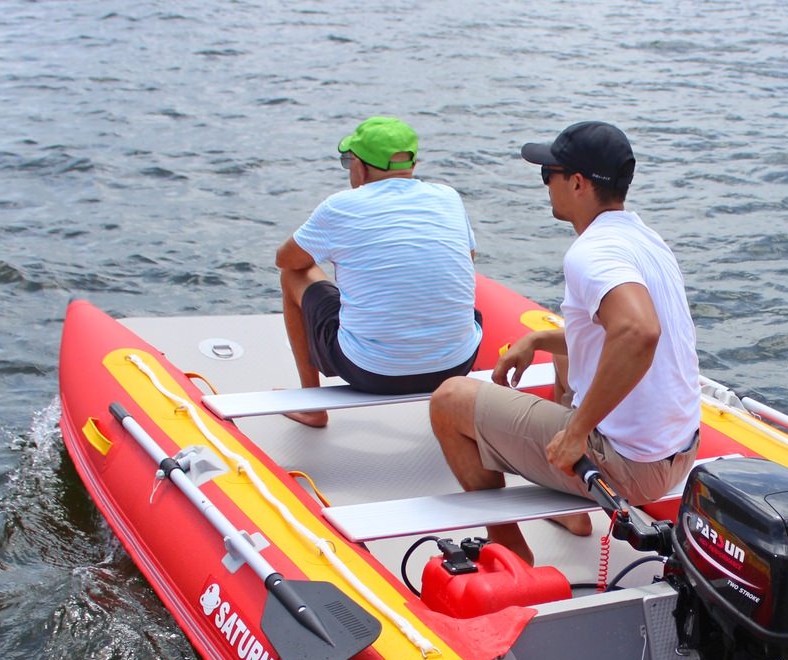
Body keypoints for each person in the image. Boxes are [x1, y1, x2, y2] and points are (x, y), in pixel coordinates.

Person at [430, 121, 700, 565]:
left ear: (577, 183)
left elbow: (639, 331)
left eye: (547, 174)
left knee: (448, 400)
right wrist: (537, 338)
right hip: (678, 451)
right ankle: (575, 515)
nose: (546, 185)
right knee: (564, 356)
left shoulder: (589, 253)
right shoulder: (646, 240)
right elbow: (617, 332)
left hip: (627, 466)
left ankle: (509, 548)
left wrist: (575, 434)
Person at [276, 115, 481, 427]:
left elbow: (286, 260)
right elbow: (469, 257)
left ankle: (312, 406)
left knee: (293, 277)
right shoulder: (448, 197)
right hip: (456, 366)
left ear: (359, 166)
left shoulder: (340, 206)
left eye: (348, 162)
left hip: (370, 371)